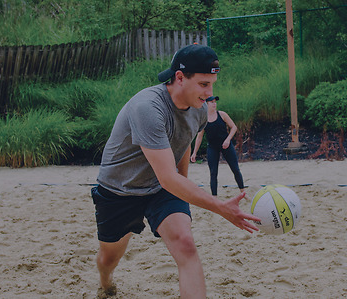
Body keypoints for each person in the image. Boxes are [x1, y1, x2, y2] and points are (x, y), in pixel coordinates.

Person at [90, 44, 260, 298]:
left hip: (161, 189)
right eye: (204, 84)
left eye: (212, 84)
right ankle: (105, 282)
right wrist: (221, 207)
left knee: (186, 245)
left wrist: (184, 190)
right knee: (108, 258)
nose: (210, 93)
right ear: (180, 78)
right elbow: (168, 177)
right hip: (120, 190)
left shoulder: (200, 110)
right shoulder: (148, 107)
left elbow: (182, 143)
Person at [190, 96, 246, 196]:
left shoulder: (222, 114)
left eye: (215, 102)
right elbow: (199, 137)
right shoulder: (203, 119)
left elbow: (234, 127)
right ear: (206, 104)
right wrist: (194, 153)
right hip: (212, 148)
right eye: (211, 102)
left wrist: (228, 140)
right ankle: (214, 197)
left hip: (226, 145)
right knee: (213, 173)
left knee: (235, 169)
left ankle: (243, 192)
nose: (214, 104)